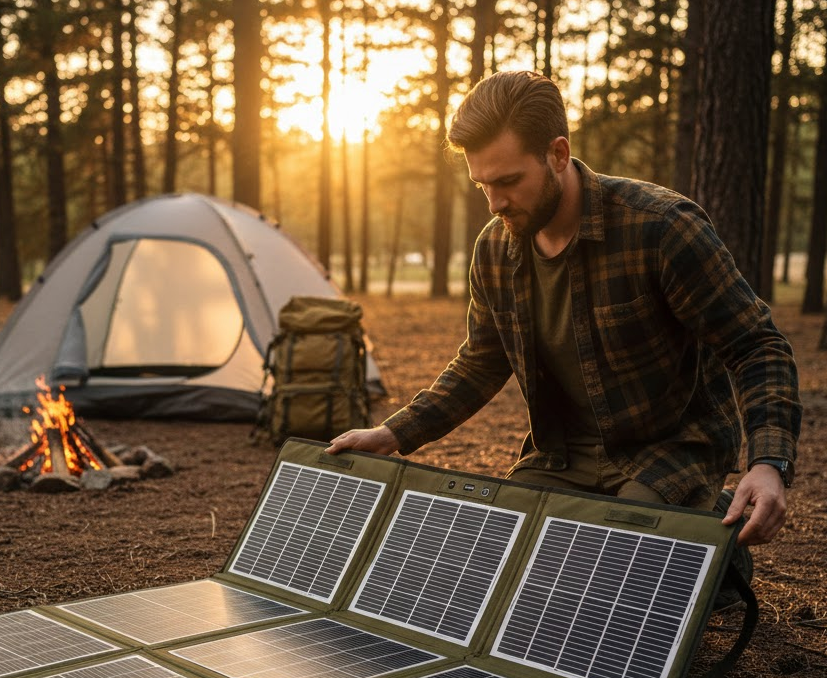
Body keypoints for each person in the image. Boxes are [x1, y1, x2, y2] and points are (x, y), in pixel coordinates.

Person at [327, 70, 801, 549]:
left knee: (607, 571)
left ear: (557, 154)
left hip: (666, 452)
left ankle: (711, 548)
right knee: (494, 564)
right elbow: (480, 362)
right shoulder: (494, 249)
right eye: (481, 185)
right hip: (559, 460)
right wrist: (392, 434)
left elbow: (756, 345)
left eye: (508, 181)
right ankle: (692, 547)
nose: (494, 203)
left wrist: (768, 464)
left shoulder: (660, 227)